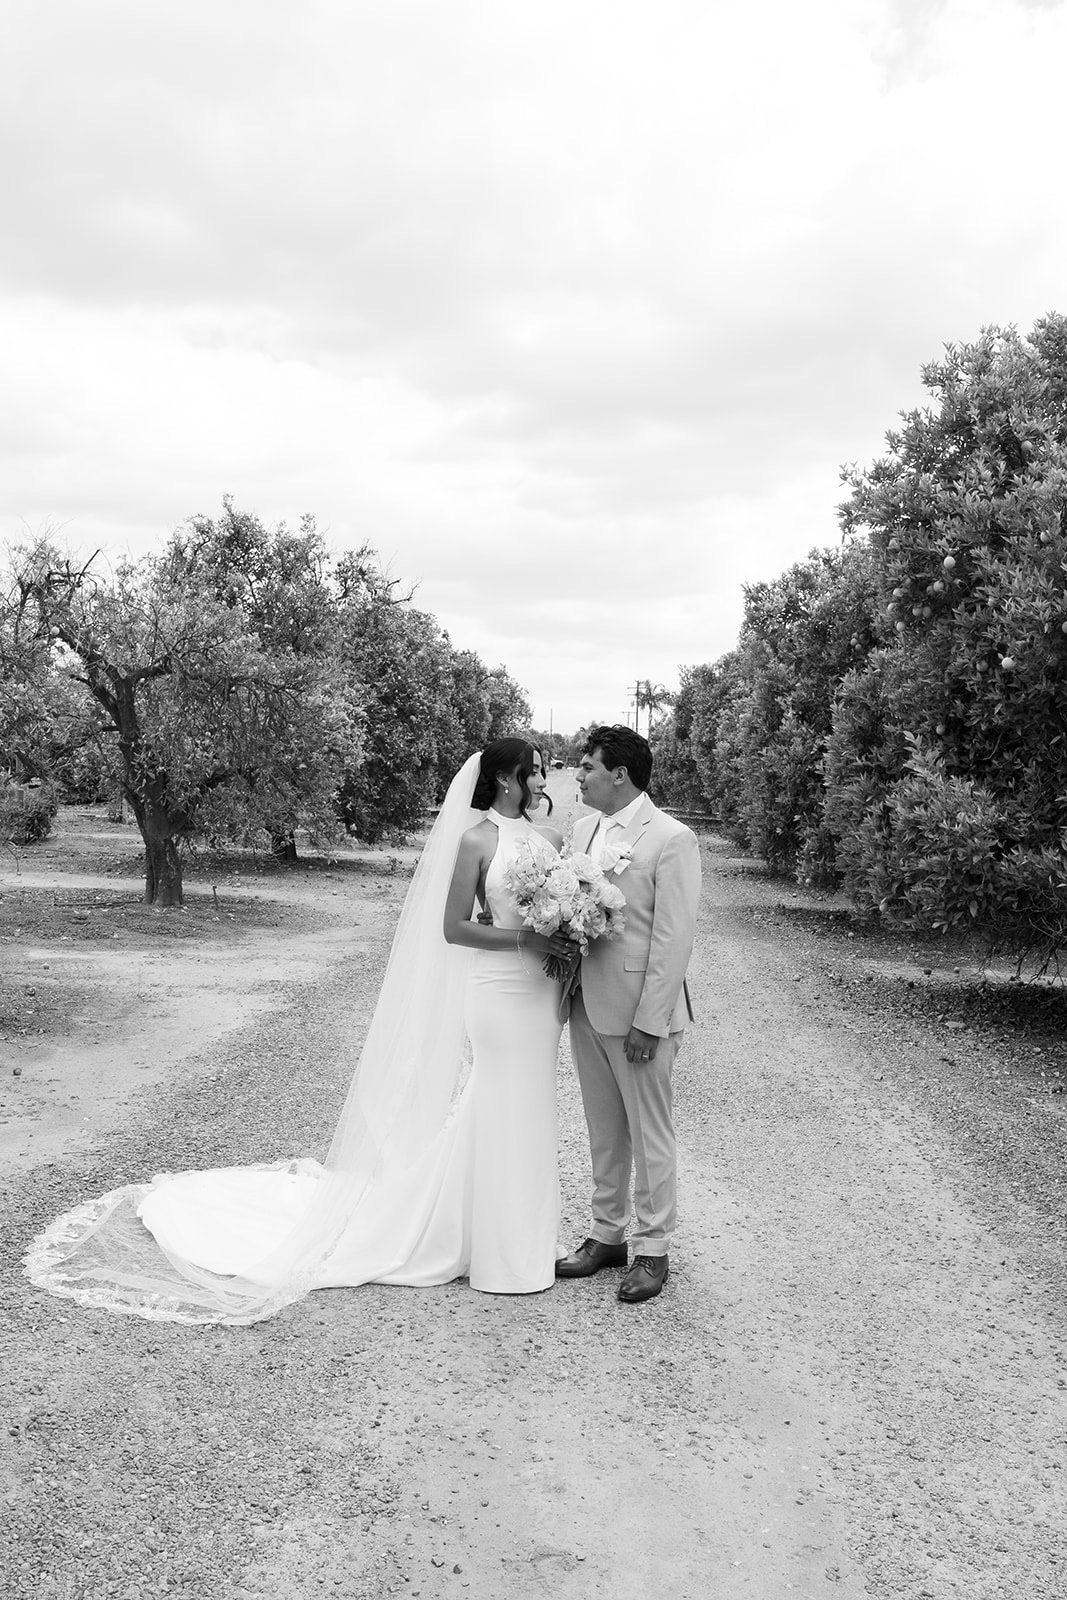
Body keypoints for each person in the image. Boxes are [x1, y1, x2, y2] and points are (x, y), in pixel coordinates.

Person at [25, 741, 572, 1323]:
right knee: (497, 1096)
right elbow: (453, 928)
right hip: (495, 994)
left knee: (527, 1107)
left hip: (538, 995)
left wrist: (566, 937)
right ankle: (492, 1249)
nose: (545, 780)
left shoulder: (552, 843)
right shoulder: (476, 840)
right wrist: (524, 940)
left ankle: (514, 1236)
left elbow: (556, 917)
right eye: (537, 771)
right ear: (509, 780)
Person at [555, 725, 701, 1305]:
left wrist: (651, 1019)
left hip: (642, 1015)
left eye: (587, 765)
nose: (580, 774)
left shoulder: (671, 838)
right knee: (603, 1130)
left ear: (619, 774)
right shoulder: (584, 828)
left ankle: (653, 1248)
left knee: (649, 1135)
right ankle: (606, 1234)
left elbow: (673, 939)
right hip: (585, 1002)